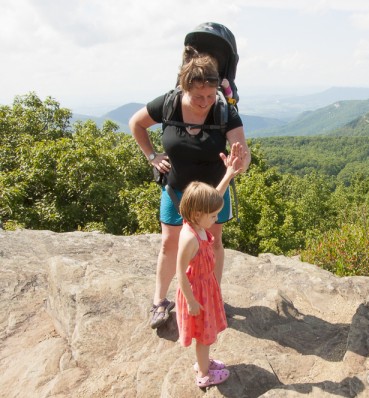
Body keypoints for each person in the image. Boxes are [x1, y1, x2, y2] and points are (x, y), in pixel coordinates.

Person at [129, 46, 251, 329]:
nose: (205, 102)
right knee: (169, 244)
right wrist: (152, 156)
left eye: (210, 95)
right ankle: (160, 302)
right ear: (184, 88)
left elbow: (243, 153)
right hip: (176, 190)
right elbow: (136, 124)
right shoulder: (169, 104)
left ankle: (212, 296)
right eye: (198, 97)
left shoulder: (223, 109)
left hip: (213, 194)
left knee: (213, 244)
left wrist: (239, 162)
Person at [175, 144, 243, 388]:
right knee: (203, 335)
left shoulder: (198, 222)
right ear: (197, 213)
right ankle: (204, 375)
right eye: (213, 216)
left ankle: (203, 361)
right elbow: (179, 272)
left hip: (205, 287)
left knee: (206, 333)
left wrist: (228, 175)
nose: (216, 219)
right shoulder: (190, 238)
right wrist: (191, 301)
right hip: (197, 293)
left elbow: (215, 195)